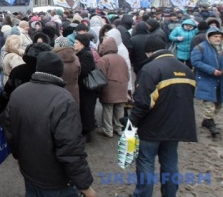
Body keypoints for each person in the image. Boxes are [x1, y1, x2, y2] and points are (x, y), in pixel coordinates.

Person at [0, 51, 96, 197]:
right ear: (60, 71)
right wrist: (85, 185)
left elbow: (9, 130)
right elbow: (70, 147)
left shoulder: (19, 92)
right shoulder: (63, 99)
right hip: (56, 180)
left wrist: (17, 155)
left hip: (29, 172)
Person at [127, 36, 197, 196]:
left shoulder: (150, 69)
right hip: (177, 127)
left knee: (146, 162)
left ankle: (143, 194)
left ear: (148, 52)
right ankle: (170, 193)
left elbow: (143, 103)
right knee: (170, 162)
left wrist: (131, 123)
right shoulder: (186, 70)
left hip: (152, 127)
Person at [190, 27, 223, 137]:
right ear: (209, 37)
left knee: (219, 103)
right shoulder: (200, 48)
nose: (218, 39)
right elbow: (195, 62)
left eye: (220, 37)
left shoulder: (221, 48)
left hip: (220, 81)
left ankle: (207, 120)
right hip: (206, 79)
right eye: (215, 36)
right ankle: (209, 122)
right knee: (209, 103)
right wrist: (212, 70)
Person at [95, 37, 129, 138]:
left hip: (109, 88)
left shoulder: (103, 59)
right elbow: (128, 73)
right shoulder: (121, 58)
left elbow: (100, 76)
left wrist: (98, 91)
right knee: (119, 108)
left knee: (108, 109)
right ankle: (119, 128)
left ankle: (108, 129)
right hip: (122, 86)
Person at [74, 33, 98, 142]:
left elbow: (84, 71)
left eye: (76, 43)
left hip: (87, 88)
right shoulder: (81, 53)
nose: (74, 44)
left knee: (86, 110)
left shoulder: (86, 54)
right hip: (83, 87)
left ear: (82, 44)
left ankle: (87, 133)